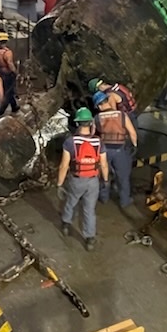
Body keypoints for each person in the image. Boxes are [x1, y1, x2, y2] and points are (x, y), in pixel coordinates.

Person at [56, 107, 108, 251]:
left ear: (78, 123)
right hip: (93, 181)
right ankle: (89, 238)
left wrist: (59, 184)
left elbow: (64, 166)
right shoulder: (98, 142)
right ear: (90, 123)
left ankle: (66, 224)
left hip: (77, 179)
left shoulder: (70, 142)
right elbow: (103, 164)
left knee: (71, 202)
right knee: (89, 209)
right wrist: (106, 180)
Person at [92, 91, 137, 210]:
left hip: (104, 150)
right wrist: (134, 145)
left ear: (99, 106)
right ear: (107, 101)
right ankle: (124, 201)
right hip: (119, 150)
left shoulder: (97, 118)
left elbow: (92, 135)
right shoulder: (122, 115)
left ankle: (104, 197)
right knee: (122, 176)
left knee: (103, 175)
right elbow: (132, 133)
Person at [0, 32, 20, 114]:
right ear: (6, 41)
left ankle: (14, 106)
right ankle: (1, 110)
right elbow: (10, 64)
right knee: (8, 91)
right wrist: (16, 72)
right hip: (7, 74)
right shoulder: (7, 52)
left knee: (4, 90)